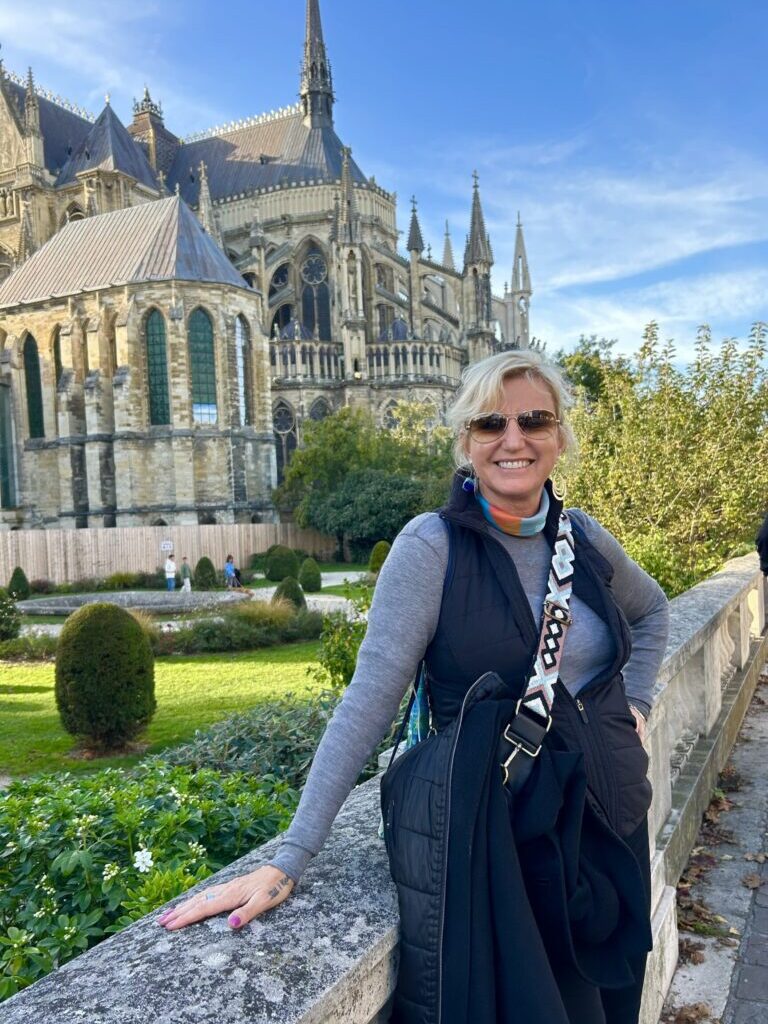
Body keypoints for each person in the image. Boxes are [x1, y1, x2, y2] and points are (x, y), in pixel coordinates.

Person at [158, 351, 670, 1024]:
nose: (512, 439)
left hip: (613, 824)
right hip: (511, 851)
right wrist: (291, 857)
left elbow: (655, 610)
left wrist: (635, 702)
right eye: (491, 423)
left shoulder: (584, 538)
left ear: (559, 436)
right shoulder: (432, 548)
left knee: (618, 1005)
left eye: (533, 420)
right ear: (466, 440)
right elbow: (368, 702)